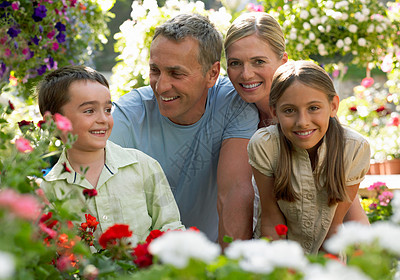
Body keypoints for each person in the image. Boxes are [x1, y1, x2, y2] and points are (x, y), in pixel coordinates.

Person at [109, 13, 259, 245]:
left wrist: (229, 269)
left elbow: (234, 192)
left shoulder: (233, 104)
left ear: (212, 74)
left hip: (208, 255)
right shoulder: (126, 117)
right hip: (140, 260)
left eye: (176, 73)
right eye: (155, 70)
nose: (161, 86)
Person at [224, 12, 370, 234]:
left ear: (283, 61)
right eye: (235, 63)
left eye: (258, 61)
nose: (246, 74)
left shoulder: (307, 112)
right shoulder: (230, 109)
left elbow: (339, 197)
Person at [38, 65, 184, 246]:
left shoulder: (143, 166)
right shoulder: (49, 190)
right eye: (89, 110)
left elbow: (170, 227)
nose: (103, 119)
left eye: (107, 109)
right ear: (54, 123)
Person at [247, 60, 371, 254]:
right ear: (274, 112)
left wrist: (321, 270)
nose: (302, 122)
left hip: (327, 253)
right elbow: (272, 222)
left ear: (333, 106)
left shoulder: (354, 149)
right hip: (277, 254)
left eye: (313, 108)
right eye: (289, 110)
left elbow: (333, 227)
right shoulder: (265, 146)